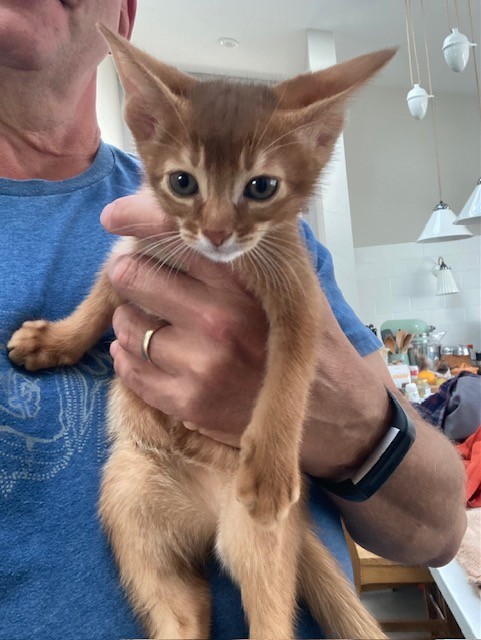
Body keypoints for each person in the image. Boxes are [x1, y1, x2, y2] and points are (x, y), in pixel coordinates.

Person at [0, 1, 466, 638]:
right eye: (186, 184)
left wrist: (349, 426)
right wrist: (71, 336)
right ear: (145, 115)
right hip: (148, 474)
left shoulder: (280, 237)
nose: (217, 230)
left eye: (258, 188)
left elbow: (440, 527)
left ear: (125, 15)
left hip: (238, 486)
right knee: (127, 505)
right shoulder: (163, 199)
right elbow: (118, 274)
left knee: (263, 520)